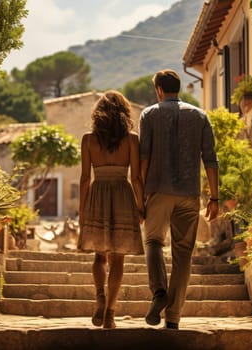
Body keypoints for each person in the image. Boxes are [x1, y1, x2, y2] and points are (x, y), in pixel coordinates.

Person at [139, 69, 219, 330]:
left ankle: (159, 292)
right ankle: (173, 318)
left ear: (159, 90)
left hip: (157, 190)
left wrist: (139, 194)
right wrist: (215, 197)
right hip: (188, 193)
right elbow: (210, 159)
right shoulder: (199, 116)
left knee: (152, 241)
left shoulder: (149, 114)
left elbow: (144, 157)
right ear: (177, 88)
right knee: (183, 254)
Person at [77, 90, 145, 329]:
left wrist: (82, 211)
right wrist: (141, 206)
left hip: (97, 195)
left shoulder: (88, 139)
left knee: (99, 255)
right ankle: (110, 314)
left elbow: (85, 178)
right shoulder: (132, 139)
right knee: (118, 258)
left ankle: (100, 297)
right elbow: (136, 177)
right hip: (122, 195)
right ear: (124, 113)